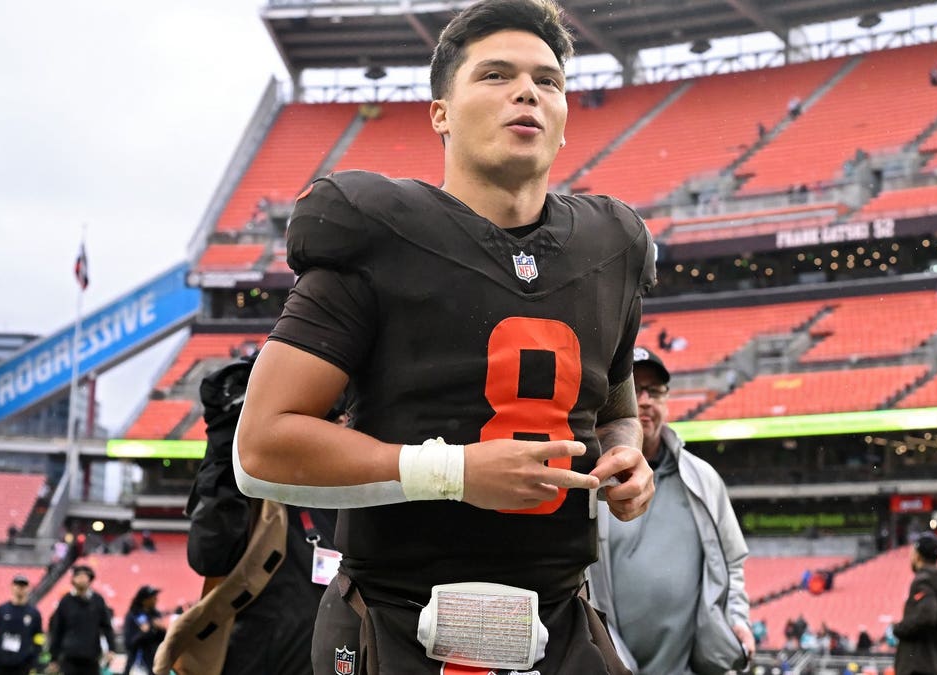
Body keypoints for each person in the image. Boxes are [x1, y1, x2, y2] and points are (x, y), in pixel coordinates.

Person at [233, 0, 656, 672]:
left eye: (548, 81)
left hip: (557, 623)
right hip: (397, 621)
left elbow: (618, 411)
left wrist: (628, 456)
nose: (527, 91)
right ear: (440, 114)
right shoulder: (380, 230)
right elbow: (259, 448)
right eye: (495, 75)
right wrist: (452, 472)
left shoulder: (613, 246)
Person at [154, 354, 345, 675]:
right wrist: (224, 445)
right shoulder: (255, 492)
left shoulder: (354, 492)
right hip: (256, 658)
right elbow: (208, 556)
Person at [588, 348, 753, 674]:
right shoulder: (590, 479)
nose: (645, 400)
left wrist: (736, 620)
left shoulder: (703, 479)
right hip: (609, 665)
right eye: (634, 388)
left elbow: (732, 563)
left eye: (655, 391)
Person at [892, 532, 937, 675]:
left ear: (917, 555)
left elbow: (927, 615)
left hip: (920, 666)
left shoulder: (924, 581)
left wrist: (899, 629)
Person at [46, 565, 114, 675]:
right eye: (78, 575)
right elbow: (57, 630)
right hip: (70, 657)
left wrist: (111, 648)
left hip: (92, 656)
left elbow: (106, 626)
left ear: (90, 579)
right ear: (73, 579)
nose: (81, 579)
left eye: (85, 576)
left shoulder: (97, 600)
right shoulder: (65, 601)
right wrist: (54, 658)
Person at [0, 574, 44, 675]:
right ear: (12, 587)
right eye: (17, 585)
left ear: (28, 588)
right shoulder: (1, 610)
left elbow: (38, 639)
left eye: (23, 586)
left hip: (22, 665)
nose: (20, 588)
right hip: (0, 664)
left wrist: (34, 662)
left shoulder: (34, 614)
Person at [121, 586, 165, 675]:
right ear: (144, 600)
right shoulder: (133, 615)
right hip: (136, 661)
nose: (156, 600)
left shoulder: (156, 615)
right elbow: (129, 642)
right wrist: (146, 632)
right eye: (153, 597)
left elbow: (161, 640)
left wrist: (161, 630)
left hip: (154, 661)